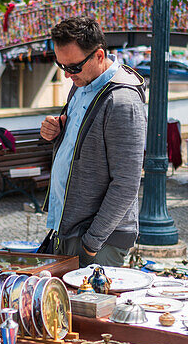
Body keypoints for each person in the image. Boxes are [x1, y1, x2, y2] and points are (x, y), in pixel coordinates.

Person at [39, 17, 147, 267]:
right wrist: (55, 132)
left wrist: (91, 244)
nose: (67, 75)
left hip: (97, 240)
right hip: (69, 229)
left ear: (99, 55)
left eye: (73, 67)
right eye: (61, 65)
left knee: (89, 306)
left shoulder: (123, 101)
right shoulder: (81, 84)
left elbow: (126, 183)